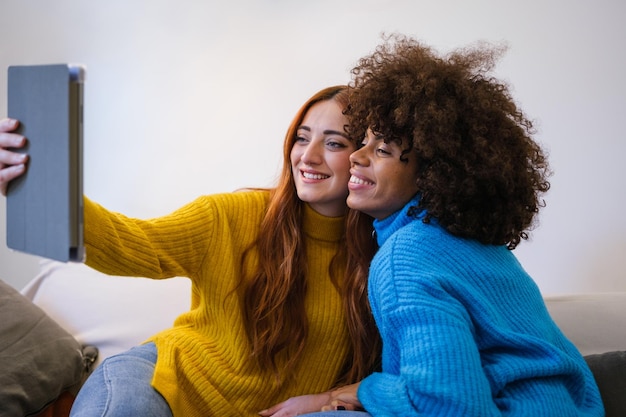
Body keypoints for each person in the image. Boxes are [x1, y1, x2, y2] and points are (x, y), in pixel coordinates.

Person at [264, 35, 605, 416]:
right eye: (363, 141)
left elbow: (449, 406)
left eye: (382, 150)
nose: (356, 157)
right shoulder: (479, 246)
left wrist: (359, 392)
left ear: (431, 174)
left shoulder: (405, 256)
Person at [0, 85, 382, 416]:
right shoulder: (233, 215)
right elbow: (134, 243)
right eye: (301, 137)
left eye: (333, 143)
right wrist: (44, 187)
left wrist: (330, 397)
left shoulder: (383, 256)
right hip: (161, 382)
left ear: (366, 155)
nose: (308, 156)